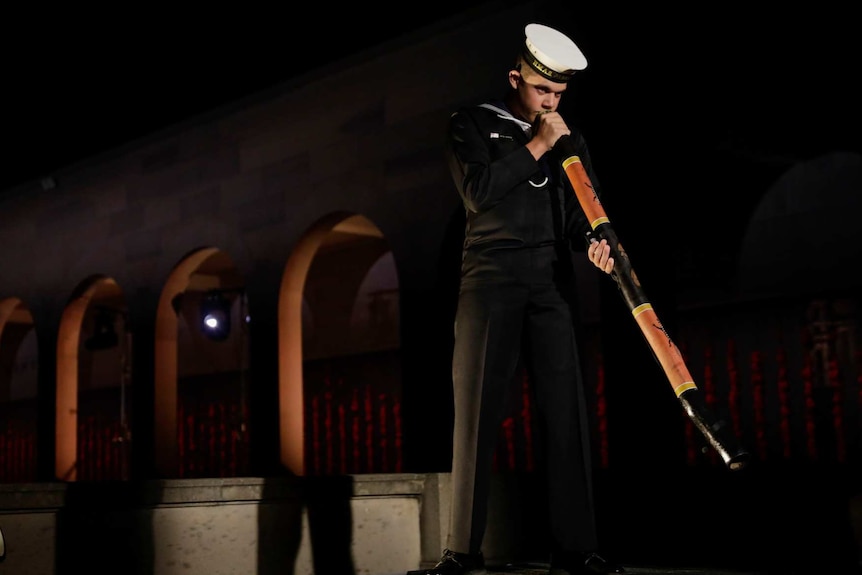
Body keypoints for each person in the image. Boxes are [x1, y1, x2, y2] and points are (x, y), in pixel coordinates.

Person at [409, 22, 623, 575]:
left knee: (567, 410)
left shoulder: (570, 142)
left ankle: (576, 549)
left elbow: (584, 213)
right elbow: (478, 193)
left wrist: (599, 242)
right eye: (540, 91)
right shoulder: (472, 123)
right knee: (477, 410)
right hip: (489, 277)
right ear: (515, 78)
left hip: (551, 282)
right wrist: (537, 144)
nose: (550, 104)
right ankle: (462, 551)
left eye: (558, 95)